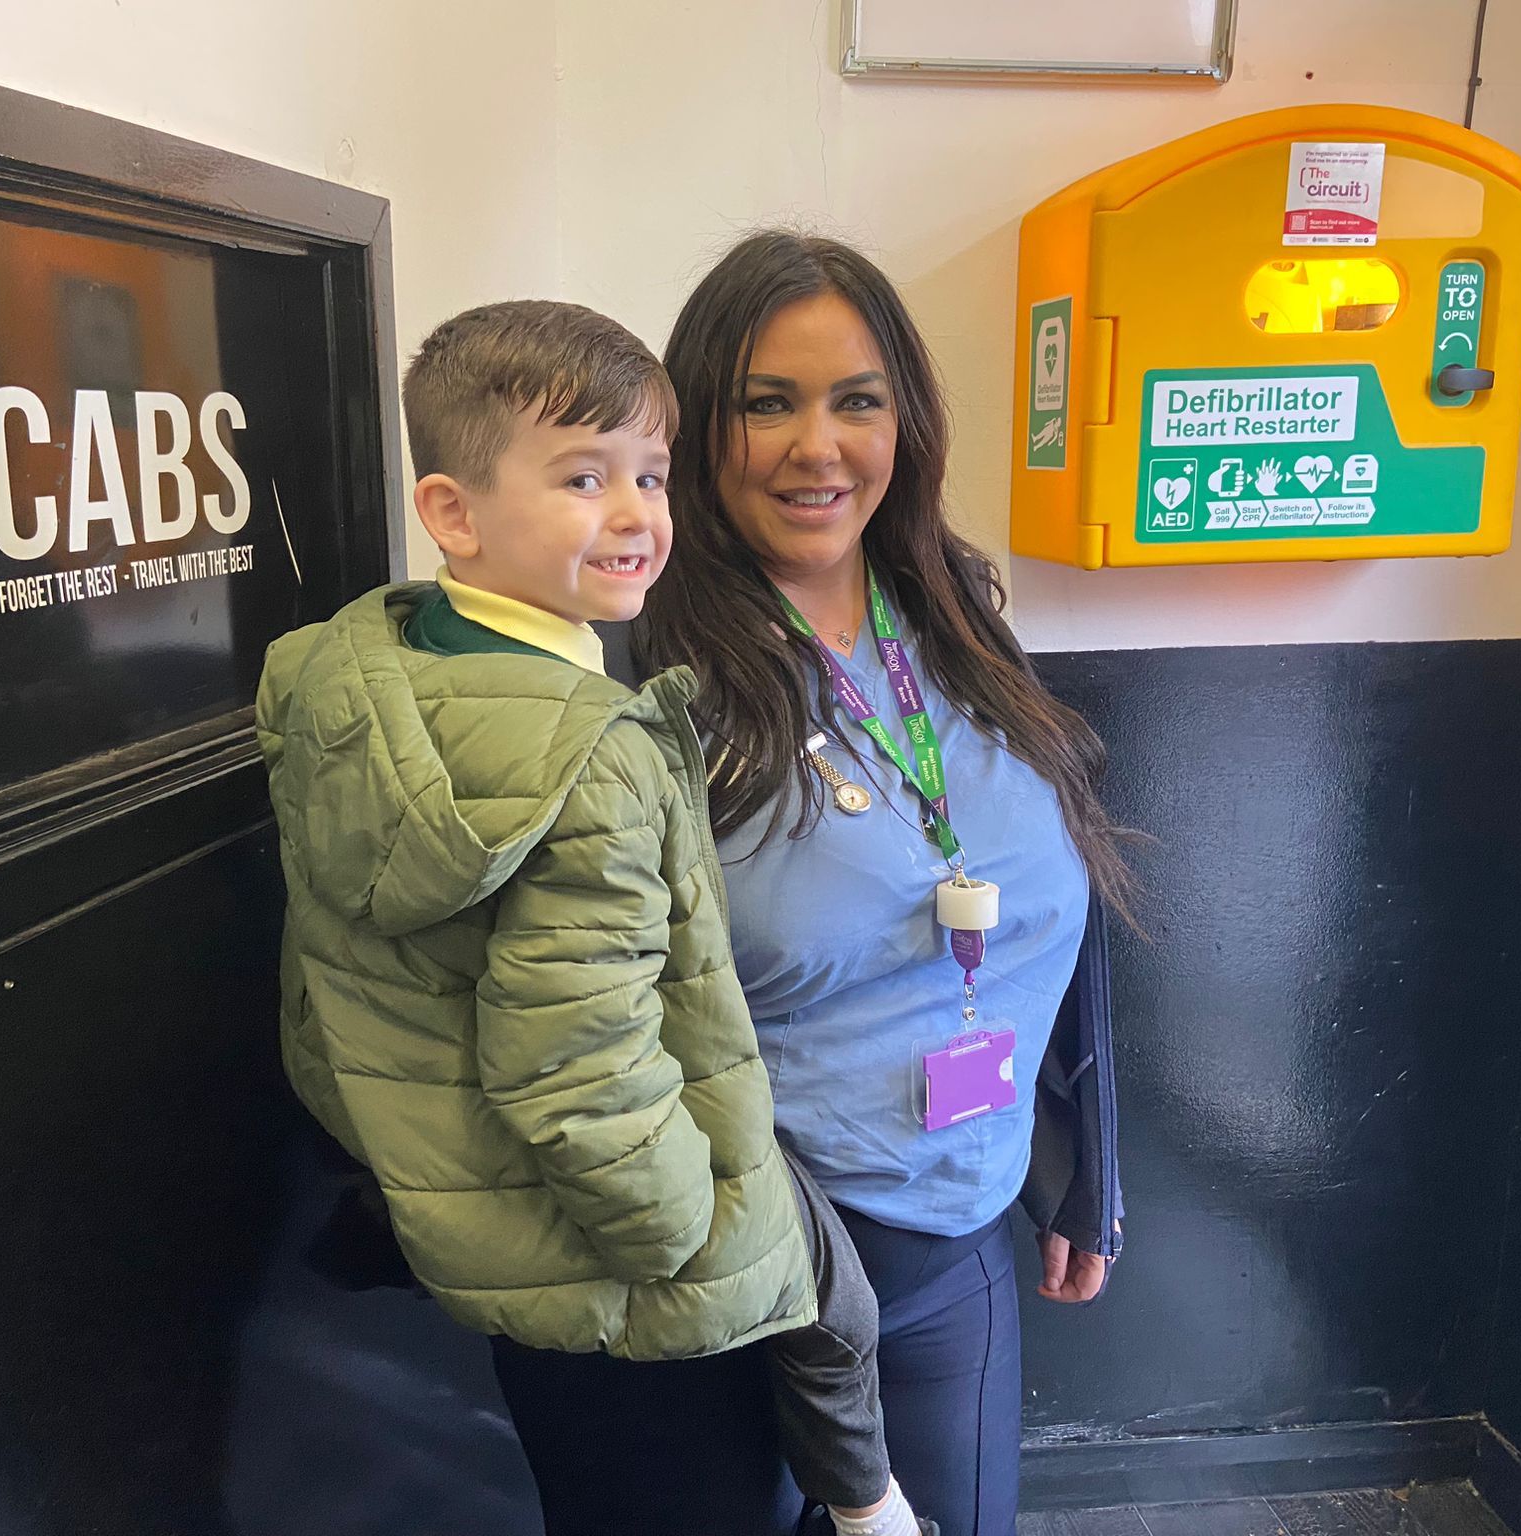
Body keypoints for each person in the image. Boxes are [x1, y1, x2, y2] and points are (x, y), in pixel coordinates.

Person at [255, 300, 935, 1536]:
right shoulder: (590, 752)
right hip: (630, 1259)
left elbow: (326, 983)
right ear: (452, 512)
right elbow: (574, 1061)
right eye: (583, 478)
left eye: (650, 476)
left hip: (487, 1217)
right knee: (818, 1339)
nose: (637, 516)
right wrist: (696, 1235)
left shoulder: (363, 680)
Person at [629, 231, 1131, 1536]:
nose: (820, 447)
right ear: (698, 427)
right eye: (766, 402)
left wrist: (1081, 1163)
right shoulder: (643, 673)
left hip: (951, 1238)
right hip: (738, 1276)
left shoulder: (955, 615)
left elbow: (1043, 898)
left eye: (857, 399)